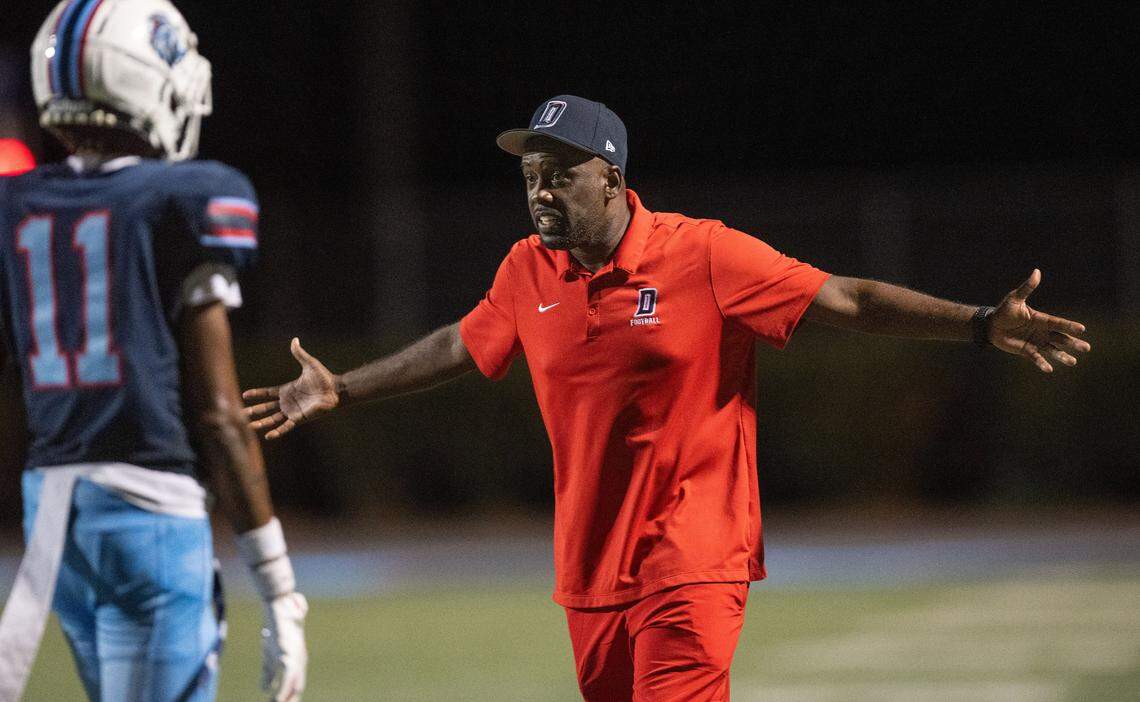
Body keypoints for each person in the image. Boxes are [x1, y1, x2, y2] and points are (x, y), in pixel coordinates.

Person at [242, 95, 1090, 701]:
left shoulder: (703, 255)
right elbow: (464, 343)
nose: (540, 190)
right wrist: (342, 389)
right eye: (531, 174)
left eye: (560, 174)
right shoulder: (524, 271)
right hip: (589, 571)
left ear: (611, 179)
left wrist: (980, 324)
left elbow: (847, 299)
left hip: (693, 558)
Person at [0, 2, 307, 700]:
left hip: (53, 515)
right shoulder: (184, 199)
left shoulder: (18, 204)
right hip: (148, 512)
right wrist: (279, 587)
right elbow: (221, 415)